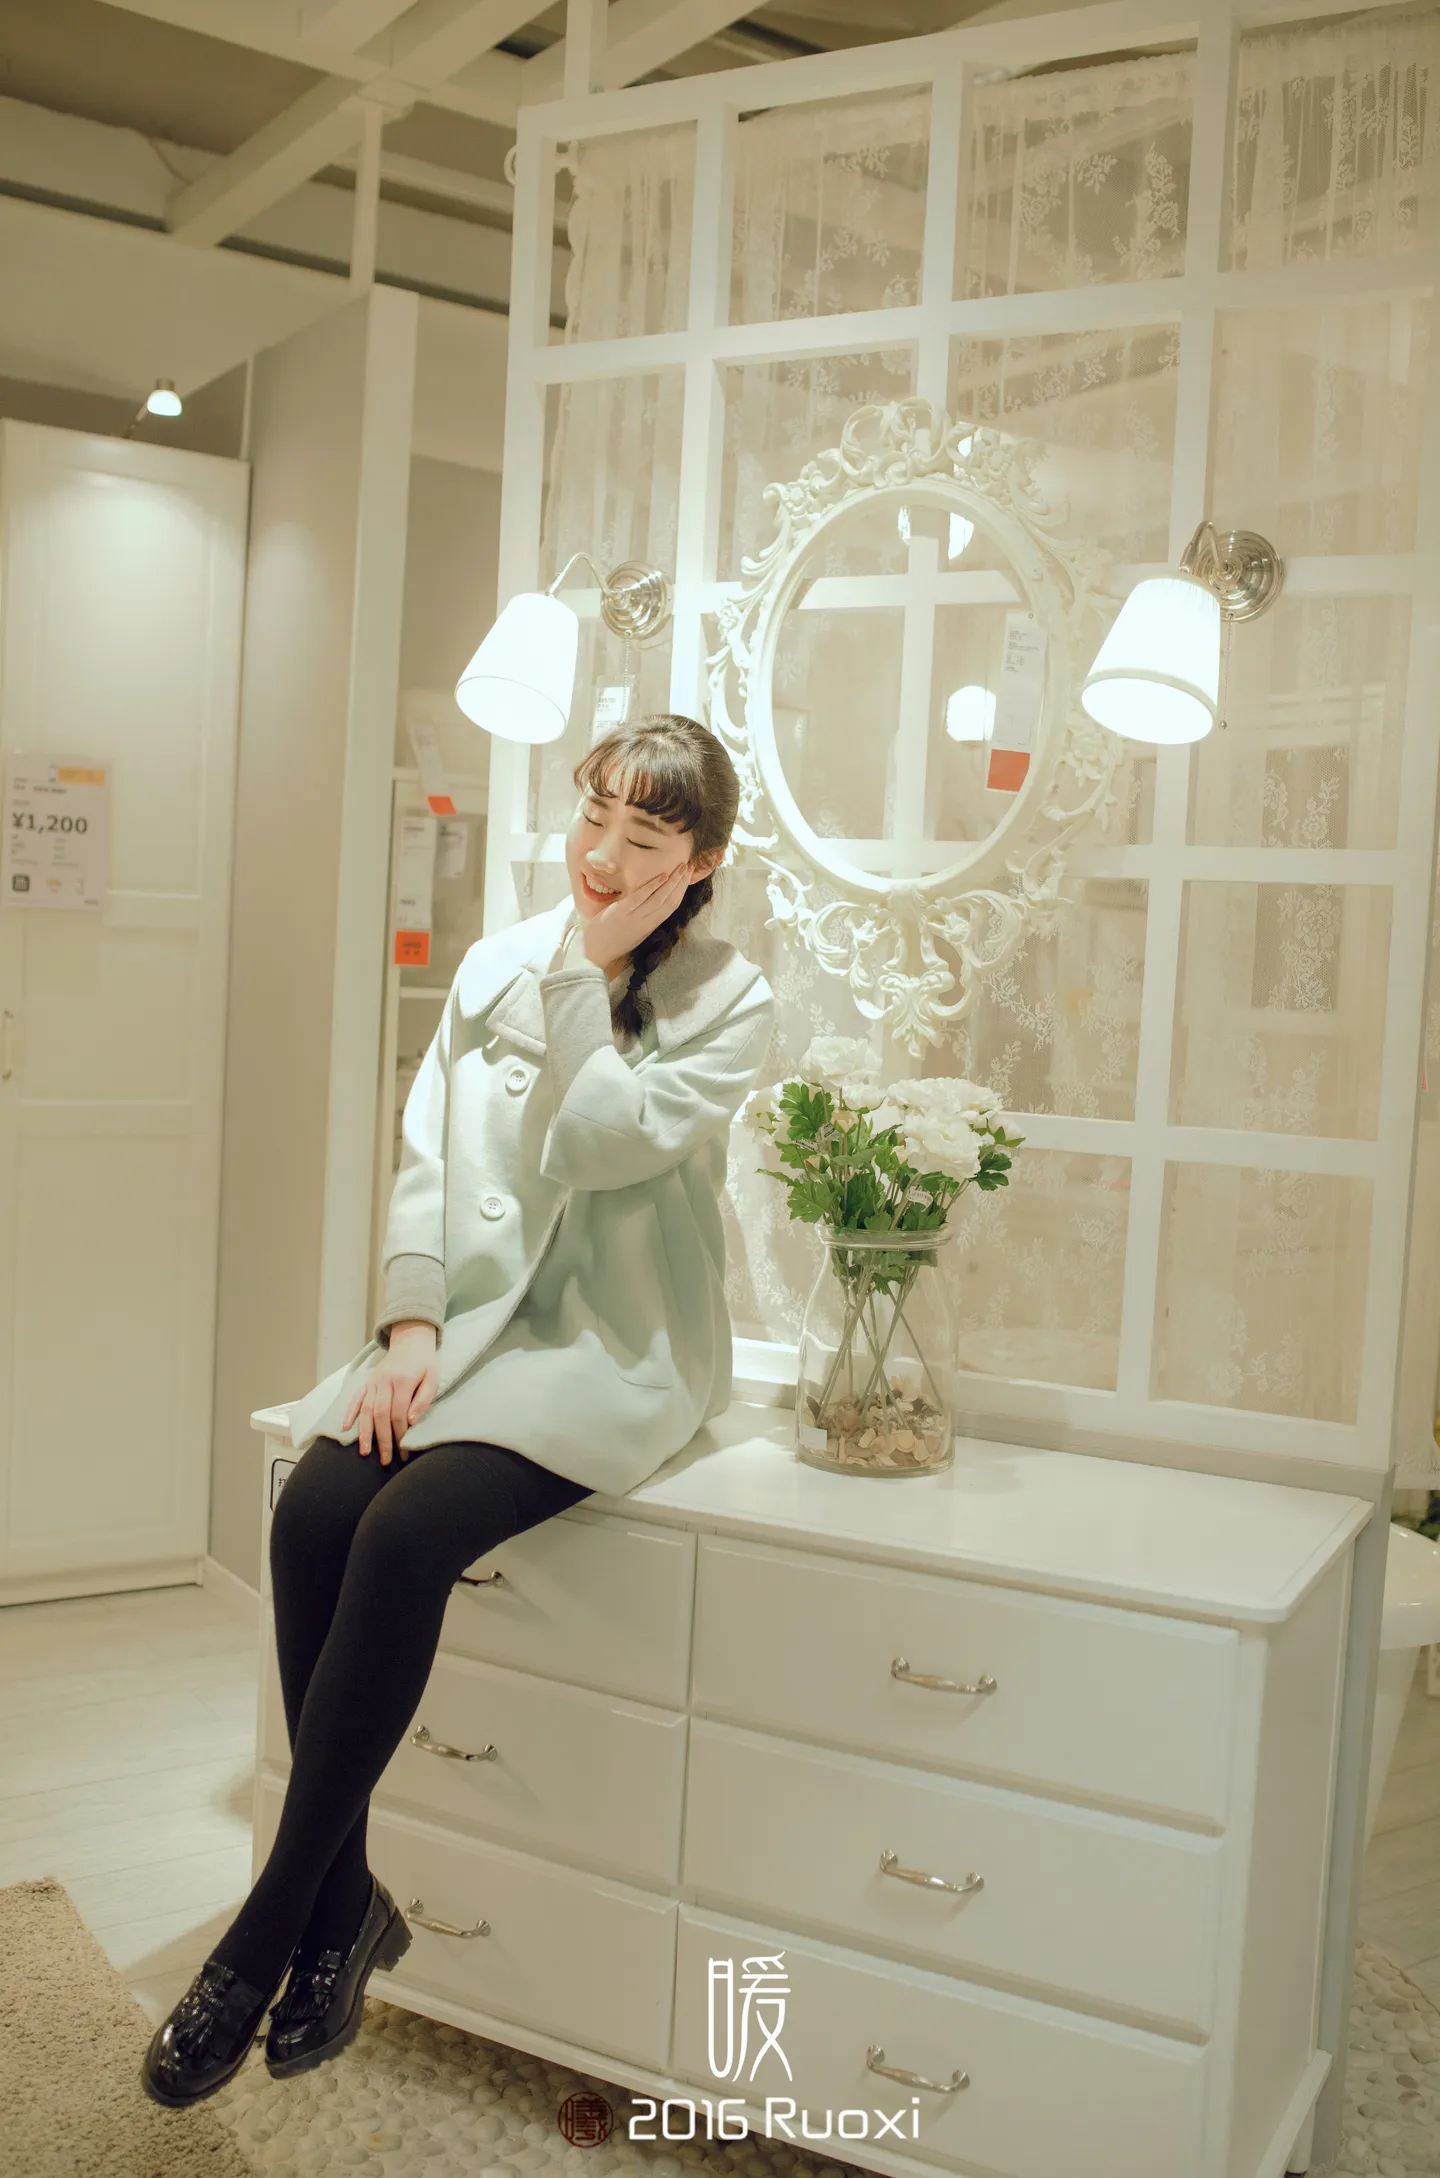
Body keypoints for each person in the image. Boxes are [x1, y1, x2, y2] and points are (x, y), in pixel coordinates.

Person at [142, 714, 775, 2107]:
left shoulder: (727, 999)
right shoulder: (495, 960)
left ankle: (265, 1934)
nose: (602, 854)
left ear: (699, 864)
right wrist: (412, 1322)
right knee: (313, 1509)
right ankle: (346, 1907)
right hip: (467, 1325)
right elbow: (428, 1150)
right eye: (594, 817)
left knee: (405, 1532)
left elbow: (600, 1146)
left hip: (608, 1341)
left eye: (645, 838)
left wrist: (586, 978)